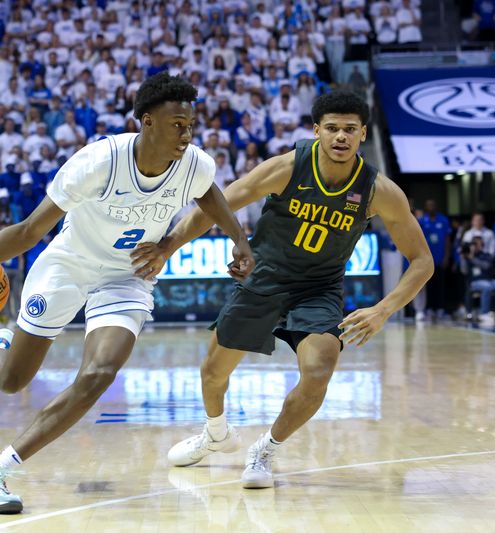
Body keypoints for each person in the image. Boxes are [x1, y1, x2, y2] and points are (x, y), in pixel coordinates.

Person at [0, 73, 254, 514]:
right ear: (147, 122)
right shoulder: (99, 161)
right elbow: (28, 230)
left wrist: (239, 240)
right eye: (177, 124)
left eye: (190, 125)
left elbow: (211, 197)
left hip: (127, 276)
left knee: (100, 373)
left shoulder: (195, 163)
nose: (186, 133)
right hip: (68, 267)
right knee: (12, 382)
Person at [137, 91, 433, 488]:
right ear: (317, 131)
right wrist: (167, 247)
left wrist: (383, 310)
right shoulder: (288, 167)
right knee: (212, 373)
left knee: (319, 369)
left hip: (318, 288)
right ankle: (215, 433)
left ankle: (266, 448)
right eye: (332, 129)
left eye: (349, 129)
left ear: (363, 133)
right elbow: (217, 205)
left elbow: (422, 261)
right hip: (264, 279)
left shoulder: (380, 191)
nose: (340, 137)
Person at [418, 199, 451, 319]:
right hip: (428, 259)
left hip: (440, 258)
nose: (431, 207)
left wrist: (446, 256)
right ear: (426, 207)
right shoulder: (422, 221)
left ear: (436, 207)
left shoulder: (443, 220)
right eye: (428, 205)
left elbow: (447, 239)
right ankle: (429, 309)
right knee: (428, 285)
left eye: (433, 205)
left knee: (440, 285)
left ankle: (440, 308)